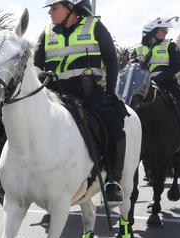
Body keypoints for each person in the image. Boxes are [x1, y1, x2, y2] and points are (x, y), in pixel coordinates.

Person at [34, 0, 125, 203]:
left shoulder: (94, 26)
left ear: (71, 8)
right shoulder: (47, 32)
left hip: (89, 94)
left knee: (114, 126)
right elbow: (36, 66)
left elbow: (111, 61)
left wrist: (110, 92)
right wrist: (42, 75)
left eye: (54, 8)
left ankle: (112, 180)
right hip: (57, 95)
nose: (50, 13)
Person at [132, 17, 180, 146]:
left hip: (166, 83)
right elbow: (131, 68)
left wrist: (158, 78)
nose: (166, 33)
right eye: (163, 30)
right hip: (141, 85)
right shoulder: (137, 49)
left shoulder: (170, 45)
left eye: (166, 30)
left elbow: (176, 65)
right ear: (153, 31)